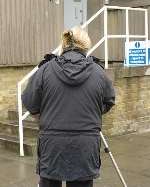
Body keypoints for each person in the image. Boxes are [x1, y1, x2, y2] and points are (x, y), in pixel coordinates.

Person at [22, 26, 115, 187]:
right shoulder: (98, 73)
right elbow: (108, 101)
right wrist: (92, 113)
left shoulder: (45, 70)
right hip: (85, 147)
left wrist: (44, 116)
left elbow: (30, 102)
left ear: (63, 45)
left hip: (52, 146)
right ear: (86, 46)